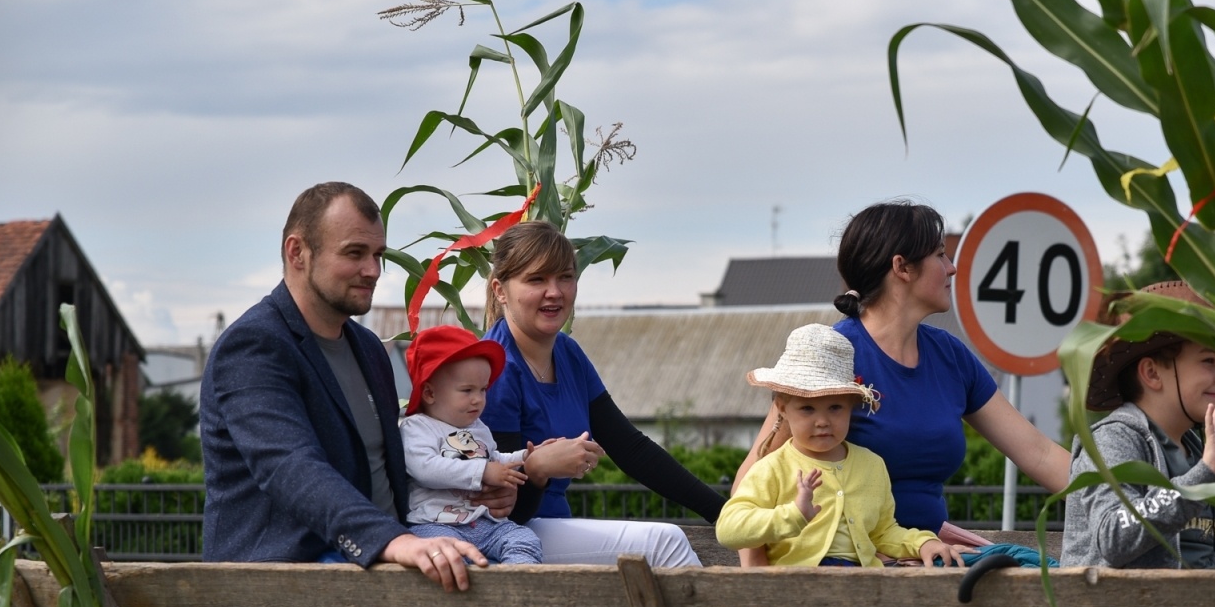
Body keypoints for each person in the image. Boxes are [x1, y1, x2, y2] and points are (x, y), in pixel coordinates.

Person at [201, 181, 514, 607]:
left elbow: (390, 467)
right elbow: (290, 468)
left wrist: (474, 489)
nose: (373, 270)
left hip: (376, 567)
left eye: (378, 255)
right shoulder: (255, 347)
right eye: (354, 253)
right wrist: (393, 541)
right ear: (297, 252)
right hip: (285, 586)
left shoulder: (368, 348)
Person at [736, 201, 1070, 561]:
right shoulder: (832, 356)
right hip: (852, 571)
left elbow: (1039, 453)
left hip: (929, 555)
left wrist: (1128, 500)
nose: (952, 268)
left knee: (1042, 571)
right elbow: (752, 481)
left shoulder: (950, 356)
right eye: (941, 255)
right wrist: (759, 586)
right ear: (902, 267)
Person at [482, 221, 724, 566]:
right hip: (506, 538)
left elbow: (631, 449)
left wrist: (724, 513)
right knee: (664, 542)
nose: (555, 291)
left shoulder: (568, 353)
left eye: (565, 277)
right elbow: (503, 510)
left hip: (552, 527)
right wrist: (536, 470)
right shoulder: (493, 368)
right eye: (537, 279)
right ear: (500, 290)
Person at [718, 323, 961, 571]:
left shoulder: (872, 465)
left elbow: (883, 532)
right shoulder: (771, 468)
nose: (822, 421)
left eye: (835, 408)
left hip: (865, 587)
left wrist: (922, 544)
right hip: (795, 589)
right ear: (782, 408)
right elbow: (728, 529)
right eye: (807, 409)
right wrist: (792, 515)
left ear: (851, 406)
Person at [1060, 280, 1215, 570]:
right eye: (1209, 360)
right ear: (1153, 373)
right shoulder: (1114, 439)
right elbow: (1114, 536)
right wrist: (1205, 477)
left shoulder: (1204, 452)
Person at [401, 325, 542, 566]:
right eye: (467, 390)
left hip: (485, 524)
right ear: (429, 393)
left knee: (524, 539)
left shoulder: (477, 427)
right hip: (435, 525)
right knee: (448, 558)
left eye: (483, 389)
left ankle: (516, 585)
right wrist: (483, 472)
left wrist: (527, 458)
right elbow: (424, 468)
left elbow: (494, 459)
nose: (478, 399)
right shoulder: (417, 427)